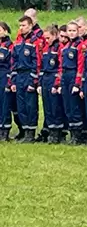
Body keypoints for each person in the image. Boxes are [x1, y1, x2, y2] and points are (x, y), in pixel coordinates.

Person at [9, 15, 43, 143]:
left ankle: (31, 133)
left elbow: (37, 62)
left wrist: (33, 81)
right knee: (21, 105)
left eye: (23, 25)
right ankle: (24, 131)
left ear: (30, 26)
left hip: (29, 75)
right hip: (19, 76)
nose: (21, 28)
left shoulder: (34, 42)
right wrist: (13, 80)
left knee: (30, 105)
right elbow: (14, 61)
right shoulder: (18, 42)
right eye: (20, 26)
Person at [38, 24, 66, 144]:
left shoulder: (59, 48)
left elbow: (61, 67)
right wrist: (39, 83)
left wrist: (57, 84)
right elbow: (41, 66)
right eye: (45, 38)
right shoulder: (44, 48)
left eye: (48, 37)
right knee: (47, 107)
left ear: (55, 35)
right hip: (45, 79)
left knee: (56, 107)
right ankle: (50, 130)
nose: (46, 40)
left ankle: (57, 133)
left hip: (54, 78)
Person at [0, 21, 12, 141]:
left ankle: (5, 130)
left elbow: (11, 63)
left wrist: (10, 79)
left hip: (4, 75)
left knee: (4, 103)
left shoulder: (9, 45)